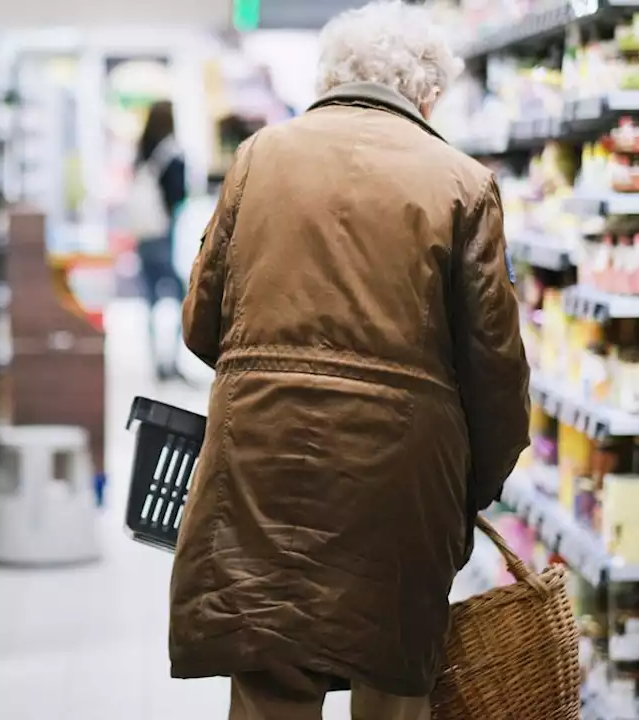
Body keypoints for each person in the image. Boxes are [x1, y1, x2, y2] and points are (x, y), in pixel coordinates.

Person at [171, 3, 531, 720]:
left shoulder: (259, 156)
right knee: (393, 676)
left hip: (263, 459)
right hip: (399, 478)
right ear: (429, 93)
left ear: (331, 75)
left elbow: (200, 324)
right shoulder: (462, 182)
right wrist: (472, 487)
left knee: (271, 672)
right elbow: (494, 370)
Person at [130, 100, 187, 383]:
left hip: (143, 234)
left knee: (151, 299)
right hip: (164, 235)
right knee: (182, 298)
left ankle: (156, 362)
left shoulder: (142, 152)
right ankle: (172, 361)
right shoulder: (173, 155)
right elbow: (179, 196)